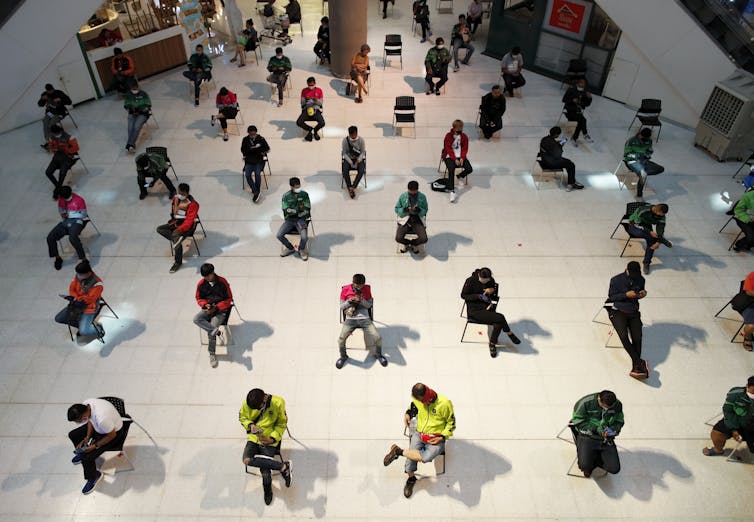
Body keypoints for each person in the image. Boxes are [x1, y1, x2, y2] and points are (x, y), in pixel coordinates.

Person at [383, 383, 455, 498]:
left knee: (425, 457)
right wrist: (407, 414)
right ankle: (411, 479)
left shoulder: (445, 403)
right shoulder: (418, 399)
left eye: (423, 401)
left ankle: (398, 451)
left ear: (428, 397)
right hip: (419, 433)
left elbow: (451, 423)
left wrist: (442, 437)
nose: (421, 404)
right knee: (410, 461)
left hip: (436, 438)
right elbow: (413, 407)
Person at [239, 388, 293, 505]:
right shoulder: (248, 403)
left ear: (264, 397)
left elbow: (281, 424)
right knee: (246, 459)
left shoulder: (278, 403)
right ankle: (283, 467)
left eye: (259, 408)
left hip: (268, 440)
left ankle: (267, 490)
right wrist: (250, 425)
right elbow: (242, 417)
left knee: (266, 474)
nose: (257, 410)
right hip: (254, 439)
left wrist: (272, 438)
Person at [67, 399, 127, 494]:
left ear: (83, 417)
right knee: (73, 434)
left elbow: (112, 435)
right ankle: (82, 451)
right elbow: (91, 420)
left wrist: (95, 446)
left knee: (87, 458)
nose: (76, 423)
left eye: (77, 421)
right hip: (101, 428)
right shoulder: (87, 404)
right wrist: (87, 437)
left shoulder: (102, 419)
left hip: (113, 433)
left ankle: (94, 476)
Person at [461, 267, 521, 357]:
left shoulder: (490, 280)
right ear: (479, 275)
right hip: (475, 309)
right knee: (500, 318)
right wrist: (477, 296)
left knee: (498, 323)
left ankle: (492, 343)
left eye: (487, 280)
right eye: (483, 279)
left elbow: (493, 291)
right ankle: (509, 333)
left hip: (487, 305)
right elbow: (463, 295)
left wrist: (491, 290)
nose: (485, 281)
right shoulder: (470, 281)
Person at [335, 274, 388, 369]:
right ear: (353, 283)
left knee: (378, 337)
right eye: (357, 286)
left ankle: (379, 355)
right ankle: (343, 357)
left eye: (361, 286)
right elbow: (342, 307)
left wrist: (361, 300)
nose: (360, 288)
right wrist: (350, 301)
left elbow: (369, 305)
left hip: (364, 319)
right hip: (350, 319)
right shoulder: (345, 289)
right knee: (341, 340)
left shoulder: (366, 289)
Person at [607, 261, 649, 379]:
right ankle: (639, 362)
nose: (635, 277)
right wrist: (626, 295)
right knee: (624, 336)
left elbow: (639, 292)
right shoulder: (616, 280)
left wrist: (642, 294)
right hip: (618, 312)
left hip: (633, 312)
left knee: (637, 338)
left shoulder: (641, 279)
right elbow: (611, 297)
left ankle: (636, 366)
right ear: (627, 270)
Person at [570, 390, 624, 477]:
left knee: (614, 469)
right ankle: (588, 460)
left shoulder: (617, 405)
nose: (606, 409)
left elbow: (619, 421)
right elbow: (577, 421)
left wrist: (613, 430)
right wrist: (596, 429)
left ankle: (593, 457)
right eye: (604, 406)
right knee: (585, 466)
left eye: (609, 408)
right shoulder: (585, 403)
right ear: (599, 398)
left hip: (606, 439)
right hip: (588, 436)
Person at [194, 263, 233, 368]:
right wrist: (205, 304)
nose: (206, 278)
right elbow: (199, 298)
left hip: (220, 311)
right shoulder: (201, 284)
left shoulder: (222, 282)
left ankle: (212, 353)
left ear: (212, 273)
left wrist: (217, 307)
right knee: (196, 319)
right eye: (204, 277)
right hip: (209, 309)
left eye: (208, 276)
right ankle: (214, 330)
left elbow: (229, 299)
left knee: (211, 332)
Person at [54, 260, 105, 340]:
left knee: (84, 331)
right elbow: (72, 289)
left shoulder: (97, 284)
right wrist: (76, 298)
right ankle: (83, 325)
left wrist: (75, 297)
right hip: (76, 305)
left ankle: (98, 329)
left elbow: (88, 300)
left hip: (90, 308)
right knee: (59, 318)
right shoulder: (79, 276)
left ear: (88, 273)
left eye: (80, 274)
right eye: (78, 274)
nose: (78, 276)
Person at [704, 376, 754, 456]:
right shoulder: (735, 393)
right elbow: (728, 411)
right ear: (747, 386)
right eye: (753, 391)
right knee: (717, 434)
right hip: (735, 421)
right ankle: (718, 450)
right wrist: (733, 429)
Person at [156, 183, 200, 273]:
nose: (180, 195)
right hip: (175, 223)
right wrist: (174, 225)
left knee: (177, 242)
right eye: (179, 192)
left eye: (182, 194)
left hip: (188, 227)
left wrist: (179, 229)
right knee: (160, 229)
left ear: (187, 193)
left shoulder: (193, 204)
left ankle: (177, 263)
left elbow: (189, 221)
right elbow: (174, 211)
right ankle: (176, 239)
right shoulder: (176, 198)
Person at [47, 186, 88, 270]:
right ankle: (58, 258)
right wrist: (63, 214)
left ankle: (84, 259)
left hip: (77, 222)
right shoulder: (61, 199)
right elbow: (61, 210)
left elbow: (83, 214)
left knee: (72, 238)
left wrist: (70, 215)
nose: (63, 200)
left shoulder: (79, 200)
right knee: (50, 237)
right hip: (65, 222)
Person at [627, 203, 672, 275]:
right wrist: (649, 232)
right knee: (650, 237)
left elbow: (661, 229)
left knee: (653, 241)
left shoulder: (662, 216)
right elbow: (636, 223)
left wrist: (658, 242)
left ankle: (646, 263)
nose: (662, 216)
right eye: (661, 214)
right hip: (634, 225)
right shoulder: (643, 210)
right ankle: (662, 240)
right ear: (657, 210)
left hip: (646, 225)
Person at [276, 177, 311, 260]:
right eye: (296, 187)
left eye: (299, 186)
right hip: (289, 220)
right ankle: (290, 248)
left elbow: (307, 208)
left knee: (304, 237)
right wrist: (297, 211)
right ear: (291, 187)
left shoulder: (304, 195)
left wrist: (295, 212)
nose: (298, 188)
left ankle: (301, 249)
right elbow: (285, 209)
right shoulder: (286, 196)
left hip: (301, 220)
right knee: (279, 235)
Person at [539, 126, 582, 192]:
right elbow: (557, 155)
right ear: (556, 134)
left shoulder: (544, 139)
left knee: (568, 162)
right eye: (558, 134)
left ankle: (572, 180)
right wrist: (560, 146)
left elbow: (550, 148)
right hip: (551, 163)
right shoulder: (554, 144)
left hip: (544, 160)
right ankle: (570, 184)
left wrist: (557, 144)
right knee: (571, 164)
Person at [623, 127, 662, 199]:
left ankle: (643, 171)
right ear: (640, 134)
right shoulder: (631, 141)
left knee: (660, 169)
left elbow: (650, 151)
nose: (644, 140)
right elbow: (626, 154)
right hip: (632, 161)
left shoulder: (649, 141)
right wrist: (637, 157)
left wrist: (647, 155)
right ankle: (639, 195)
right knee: (643, 175)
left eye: (646, 138)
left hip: (644, 160)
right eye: (643, 137)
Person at [45, 124, 80, 197]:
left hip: (68, 157)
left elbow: (76, 149)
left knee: (62, 173)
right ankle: (59, 188)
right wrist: (51, 148)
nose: (55, 135)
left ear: (60, 131)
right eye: (54, 133)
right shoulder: (52, 138)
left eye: (56, 133)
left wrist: (65, 149)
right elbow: (52, 147)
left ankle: (57, 190)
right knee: (48, 172)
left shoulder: (70, 137)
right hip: (57, 157)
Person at [442, 119, 473, 203]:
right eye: (458, 129)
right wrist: (455, 159)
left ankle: (459, 176)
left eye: (461, 129)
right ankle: (452, 191)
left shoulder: (464, 136)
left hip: (460, 156)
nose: (460, 131)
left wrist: (462, 158)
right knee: (451, 170)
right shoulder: (448, 136)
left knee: (469, 168)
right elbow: (448, 149)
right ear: (454, 128)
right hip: (450, 156)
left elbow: (465, 148)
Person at [395, 180, 429, 254]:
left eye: (414, 191)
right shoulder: (403, 196)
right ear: (408, 189)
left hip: (417, 220)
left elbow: (425, 210)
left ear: (417, 189)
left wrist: (419, 210)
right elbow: (397, 209)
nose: (412, 193)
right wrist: (404, 209)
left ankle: (414, 243)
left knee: (424, 239)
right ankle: (406, 243)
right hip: (405, 219)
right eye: (411, 191)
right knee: (398, 238)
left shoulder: (422, 197)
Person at [242, 125, 271, 203]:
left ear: (256, 132)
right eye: (250, 134)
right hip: (249, 161)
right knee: (247, 175)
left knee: (257, 174)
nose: (252, 136)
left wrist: (257, 149)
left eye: (253, 134)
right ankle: (256, 191)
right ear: (248, 133)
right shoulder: (245, 139)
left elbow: (267, 149)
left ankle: (257, 190)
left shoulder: (261, 139)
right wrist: (250, 149)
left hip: (259, 161)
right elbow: (243, 150)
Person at [38, 83, 72, 148]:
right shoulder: (44, 94)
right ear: (46, 90)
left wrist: (61, 99)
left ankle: (57, 140)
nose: (50, 92)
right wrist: (42, 99)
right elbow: (40, 104)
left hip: (59, 112)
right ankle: (48, 141)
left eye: (51, 90)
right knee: (45, 121)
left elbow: (69, 102)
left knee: (51, 124)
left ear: (53, 88)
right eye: (48, 91)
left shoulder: (59, 93)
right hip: (50, 112)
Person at [561, 79, 593, 145]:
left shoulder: (584, 92)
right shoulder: (571, 89)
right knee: (582, 120)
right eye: (581, 83)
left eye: (584, 84)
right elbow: (564, 100)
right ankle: (584, 134)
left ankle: (574, 138)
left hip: (578, 111)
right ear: (577, 83)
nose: (583, 85)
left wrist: (589, 98)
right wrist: (572, 100)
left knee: (580, 122)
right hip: (569, 110)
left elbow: (586, 104)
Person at [123, 80, 151, 153]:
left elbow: (148, 105)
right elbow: (126, 105)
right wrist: (131, 109)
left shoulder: (144, 94)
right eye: (132, 89)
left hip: (142, 114)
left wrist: (140, 109)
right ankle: (131, 145)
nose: (134, 90)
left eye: (135, 88)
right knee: (130, 128)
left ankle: (129, 145)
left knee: (136, 127)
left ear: (138, 86)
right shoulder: (128, 95)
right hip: (132, 114)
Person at [296, 77, 325, 142]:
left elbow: (321, 103)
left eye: (312, 85)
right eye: (309, 85)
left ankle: (315, 130)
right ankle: (310, 129)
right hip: (307, 109)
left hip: (316, 110)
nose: (310, 86)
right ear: (307, 84)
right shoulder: (304, 91)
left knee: (322, 123)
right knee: (299, 122)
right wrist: (306, 100)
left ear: (315, 83)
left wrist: (316, 100)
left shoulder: (319, 90)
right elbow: (302, 103)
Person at [341, 126, 366, 198]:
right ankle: (349, 186)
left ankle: (353, 187)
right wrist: (350, 162)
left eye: (354, 134)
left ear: (357, 133)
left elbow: (362, 152)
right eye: (352, 135)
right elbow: (344, 153)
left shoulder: (361, 140)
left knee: (361, 171)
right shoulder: (345, 141)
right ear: (349, 134)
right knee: (345, 171)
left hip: (358, 159)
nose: (353, 136)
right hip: (349, 159)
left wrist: (358, 161)